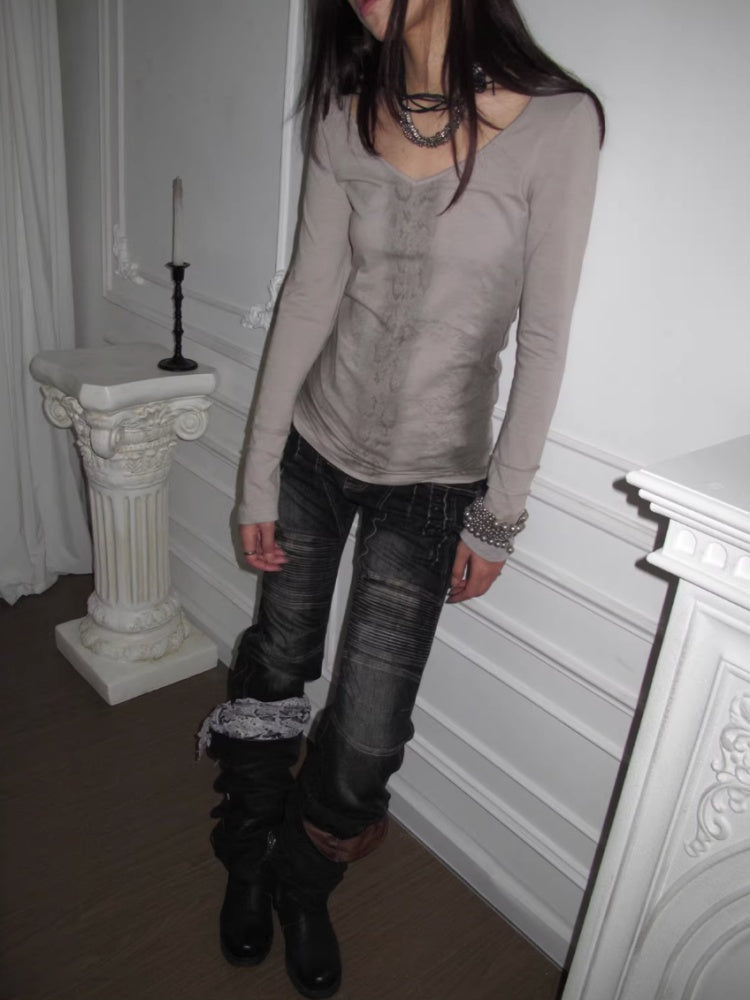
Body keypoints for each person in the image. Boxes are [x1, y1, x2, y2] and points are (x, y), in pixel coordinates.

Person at [198, 1, 603, 996]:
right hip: (313, 452)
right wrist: (258, 474)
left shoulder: (559, 123)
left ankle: (303, 881)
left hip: (433, 484)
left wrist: (499, 515)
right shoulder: (343, 110)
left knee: (371, 731)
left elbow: (546, 339)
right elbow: (309, 294)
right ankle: (248, 852)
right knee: (278, 661)